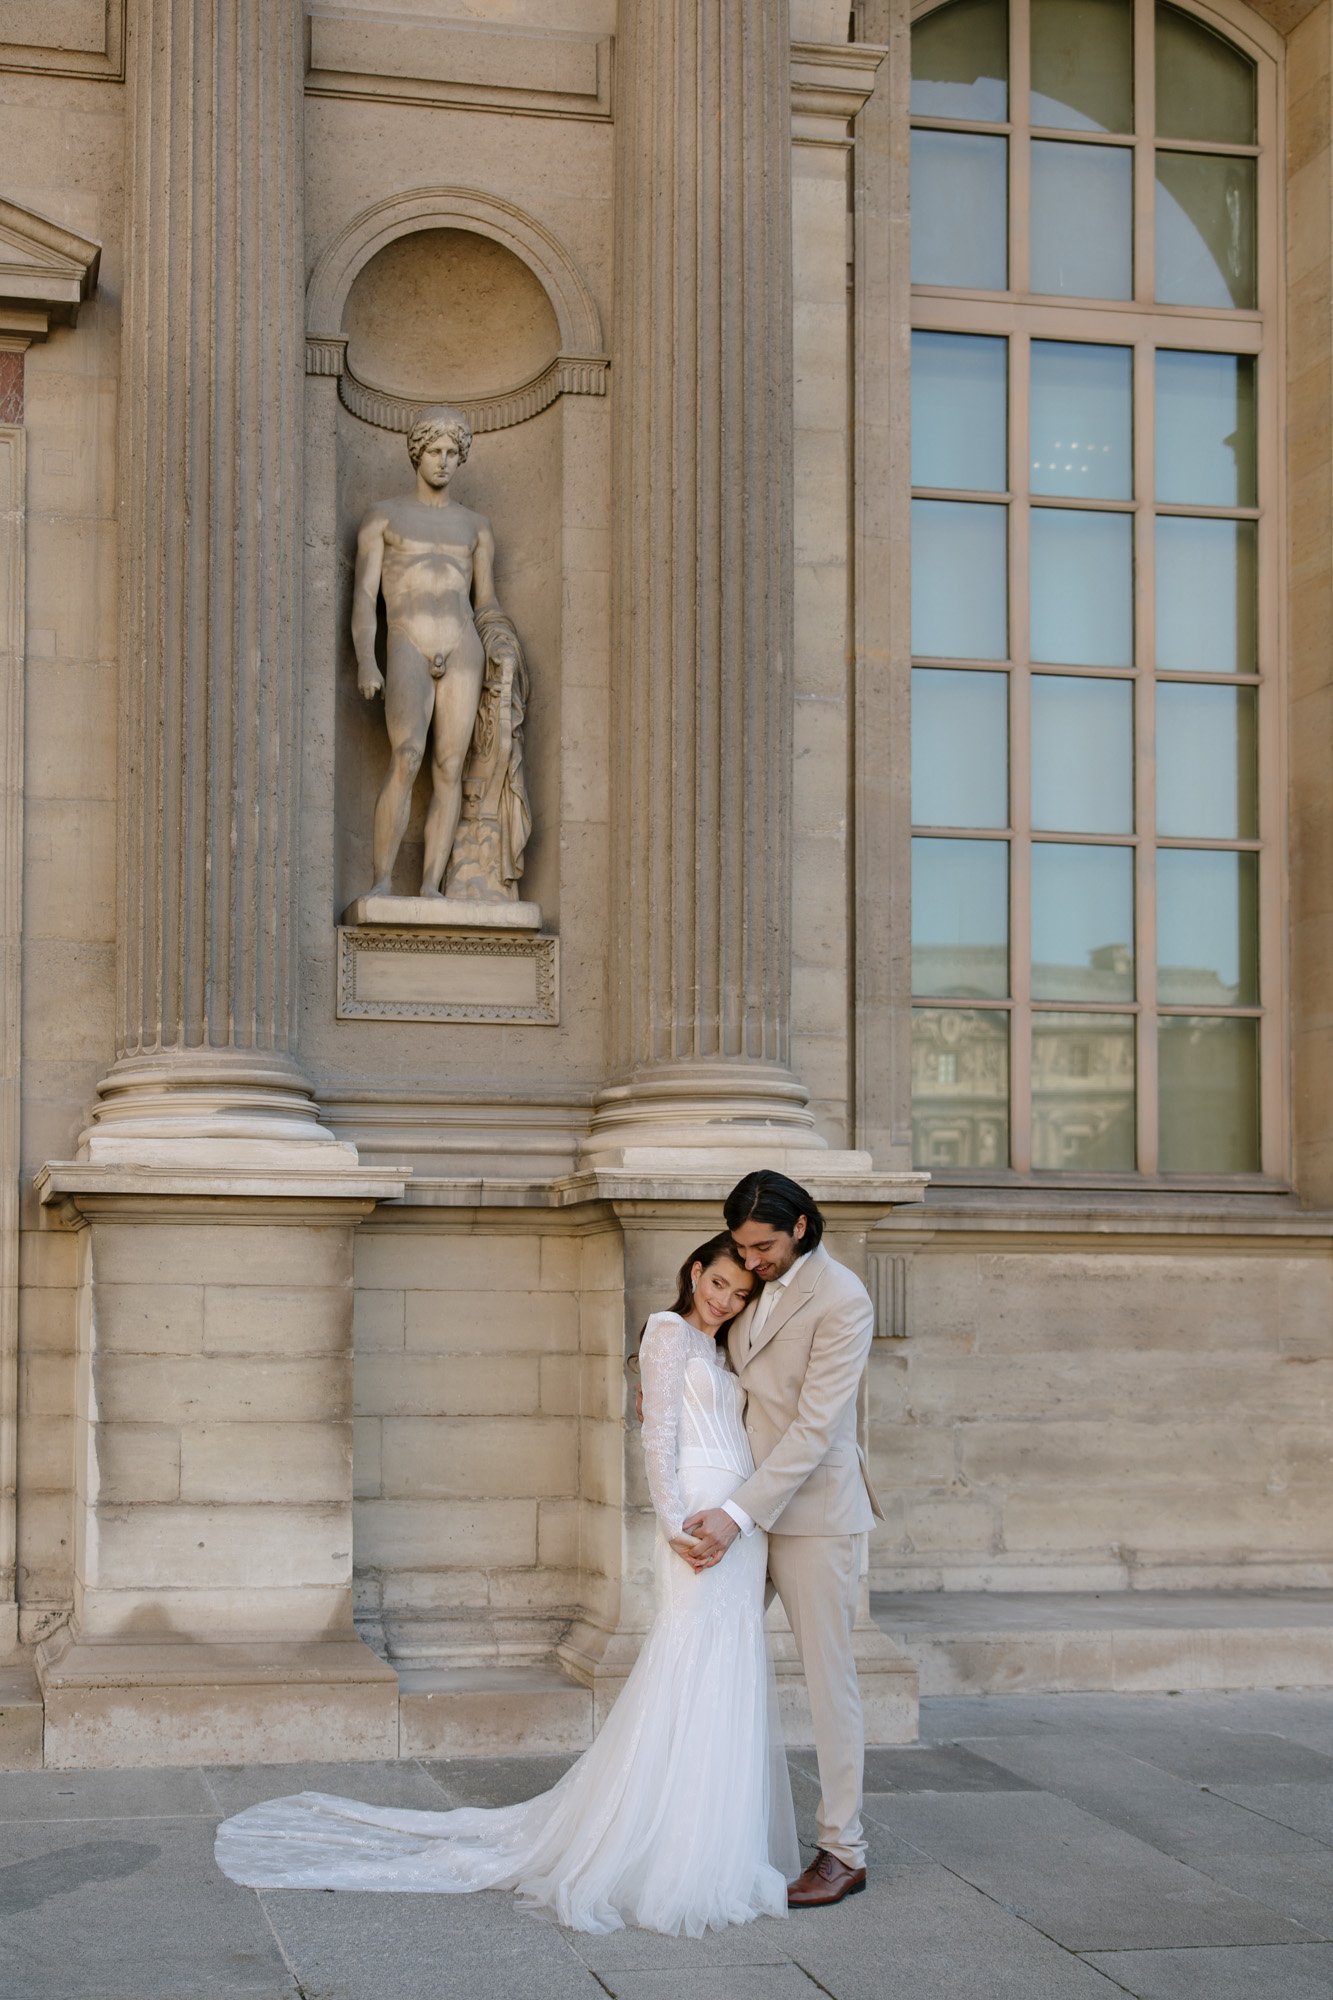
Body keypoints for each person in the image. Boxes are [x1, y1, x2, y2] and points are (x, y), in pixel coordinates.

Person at [214, 1234, 798, 1938]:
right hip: (697, 1518)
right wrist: (672, 1522)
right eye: (718, 1285)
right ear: (695, 1271)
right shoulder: (669, 1332)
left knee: (726, 1672)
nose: (725, 1301)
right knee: (690, 1668)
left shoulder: (723, 1349)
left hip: (739, 1523)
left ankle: (713, 1840)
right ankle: (667, 1848)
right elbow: (656, 1434)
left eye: (740, 1294)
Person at [682, 1169, 884, 1908]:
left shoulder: (843, 1299)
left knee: (829, 1683)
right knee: (703, 1652)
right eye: (741, 1246)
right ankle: (697, 1823)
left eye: (763, 1244)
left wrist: (738, 1512)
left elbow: (814, 1429)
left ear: (800, 1225)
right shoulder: (751, 1280)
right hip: (741, 1503)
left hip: (811, 1514)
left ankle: (843, 1850)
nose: (752, 1259)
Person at [351, 404, 498, 900]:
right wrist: (367, 660)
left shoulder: (476, 526)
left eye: (453, 452)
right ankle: (382, 880)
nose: (443, 460)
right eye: (434, 450)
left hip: (462, 644)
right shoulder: (385, 516)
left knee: (450, 767)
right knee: (408, 754)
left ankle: (432, 885)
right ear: (417, 454)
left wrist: (503, 645)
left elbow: (486, 602)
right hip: (407, 638)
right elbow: (364, 598)